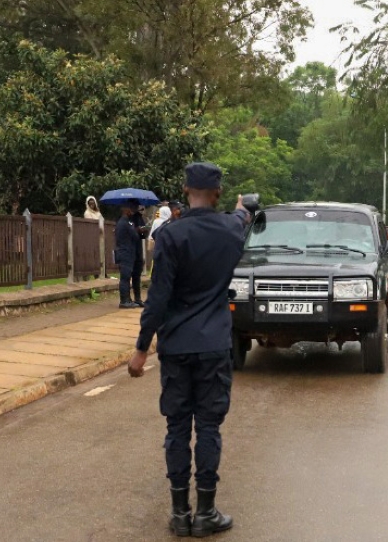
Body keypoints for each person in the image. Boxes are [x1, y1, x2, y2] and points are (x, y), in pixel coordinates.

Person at [128, 163, 248, 537]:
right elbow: (241, 219)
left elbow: (158, 298)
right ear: (217, 193)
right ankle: (206, 512)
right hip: (213, 345)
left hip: (176, 346)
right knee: (209, 426)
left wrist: (141, 348)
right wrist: (242, 209)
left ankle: (180, 513)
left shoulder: (170, 236)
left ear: (185, 190)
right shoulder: (231, 230)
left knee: (177, 427)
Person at [115, 201, 146, 308]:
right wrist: (137, 230)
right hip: (126, 252)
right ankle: (124, 301)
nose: (132, 211)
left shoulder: (124, 222)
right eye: (130, 209)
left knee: (128, 276)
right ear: (126, 210)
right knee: (125, 277)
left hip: (128, 252)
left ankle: (129, 299)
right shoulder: (125, 222)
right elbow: (134, 236)